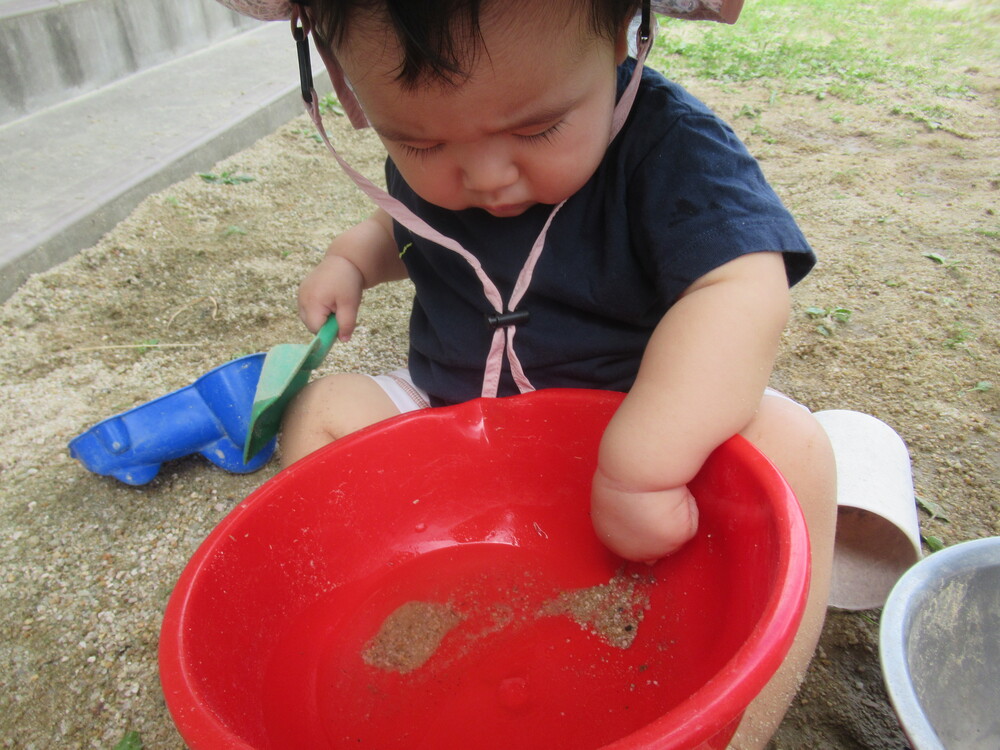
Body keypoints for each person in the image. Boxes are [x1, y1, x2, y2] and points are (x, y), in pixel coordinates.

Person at [225, 1, 836, 745]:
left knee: (797, 448)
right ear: (345, 89)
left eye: (538, 129)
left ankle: (739, 726)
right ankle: (359, 626)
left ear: (620, 36)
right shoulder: (455, 159)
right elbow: (406, 226)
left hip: (625, 416)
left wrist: (644, 465)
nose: (486, 177)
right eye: (418, 142)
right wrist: (352, 259)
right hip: (455, 422)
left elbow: (741, 286)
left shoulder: (668, 147)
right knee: (326, 408)